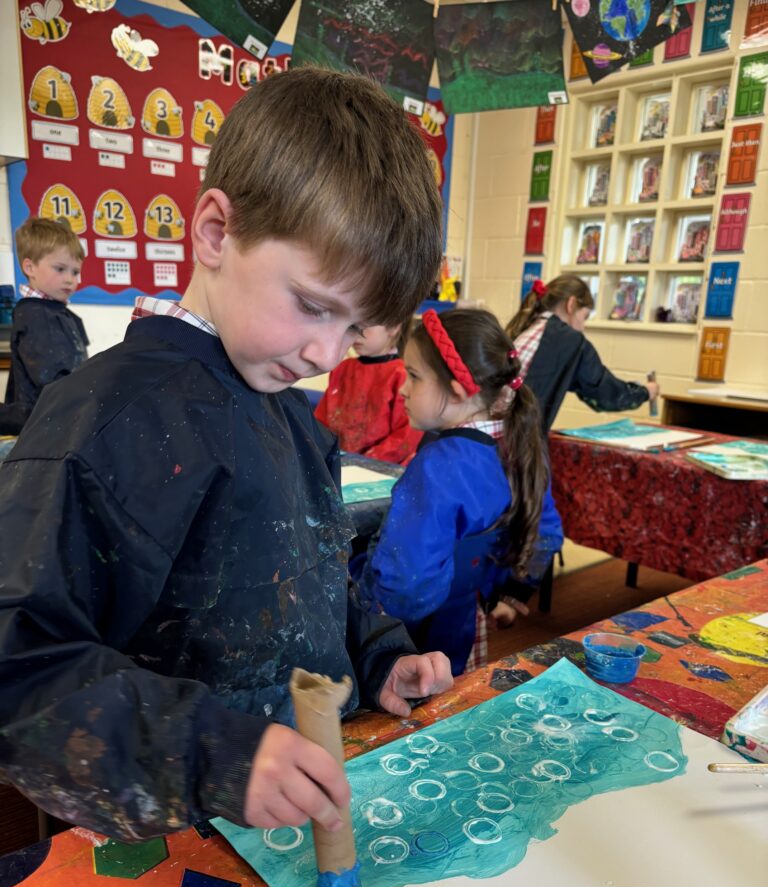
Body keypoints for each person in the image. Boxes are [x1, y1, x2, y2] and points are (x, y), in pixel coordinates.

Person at [0, 67, 452, 843]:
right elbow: (21, 665)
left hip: (290, 827)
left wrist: (374, 655)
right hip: (175, 843)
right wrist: (212, 753)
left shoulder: (291, 413)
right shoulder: (106, 418)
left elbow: (310, 571)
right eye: (312, 305)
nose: (322, 352)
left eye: (351, 332)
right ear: (214, 231)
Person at [353, 308, 563, 676]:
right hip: (465, 624)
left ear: (456, 390)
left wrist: (364, 610)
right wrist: (513, 593)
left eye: (414, 377)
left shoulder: (438, 466)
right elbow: (546, 530)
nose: (403, 388)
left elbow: (408, 584)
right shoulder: (520, 441)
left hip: (412, 645)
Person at [505, 275, 660, 432]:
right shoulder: (566, 339)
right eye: (584, 316)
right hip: (513, 437)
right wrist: (645, 392)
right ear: (571, 305)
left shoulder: (528, 327)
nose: (583, 327)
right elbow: (604, 391)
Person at [0, 217, 89, 435]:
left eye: (75, 272)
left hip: (59, 419)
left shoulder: (63, 315)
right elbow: (52, 379)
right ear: (30, 267)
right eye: (60, 269)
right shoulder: (36, 315)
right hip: (41, 429)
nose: (70, 279)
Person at [314, 320, 422, 464]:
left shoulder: (401, 375)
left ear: (393, 327)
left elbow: (406, 436)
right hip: (337, 462)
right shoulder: (342, 369)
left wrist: (364, 463)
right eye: (352, 326)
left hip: (380, 471)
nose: (356, 335)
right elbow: (321, 421)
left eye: (365, 326)